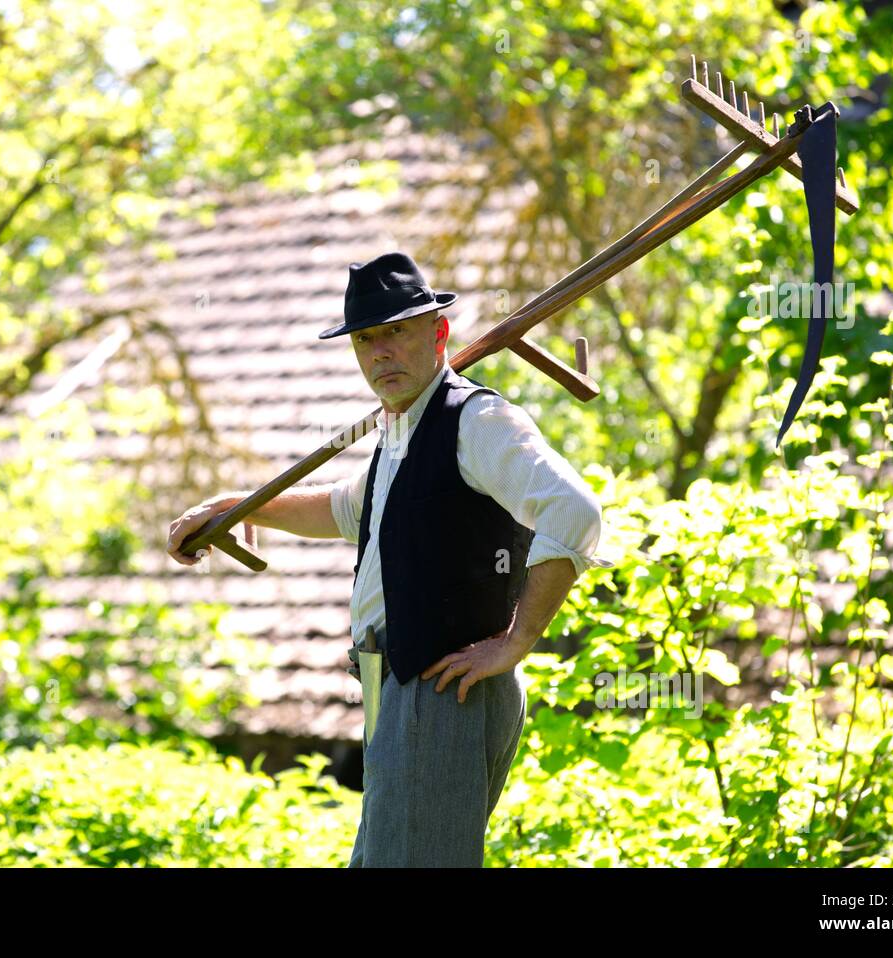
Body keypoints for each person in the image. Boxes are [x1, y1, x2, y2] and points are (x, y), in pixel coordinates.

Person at [168, 251, 610, 866]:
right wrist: (242, 508)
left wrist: (516, 642)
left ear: (439, 332)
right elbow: (348, 511)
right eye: (367, 339)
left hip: (444, 687)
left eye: (396, 332)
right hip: (390, 686)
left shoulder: (475, 421)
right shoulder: (401, 430)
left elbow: (574, 512)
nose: (380, 352)